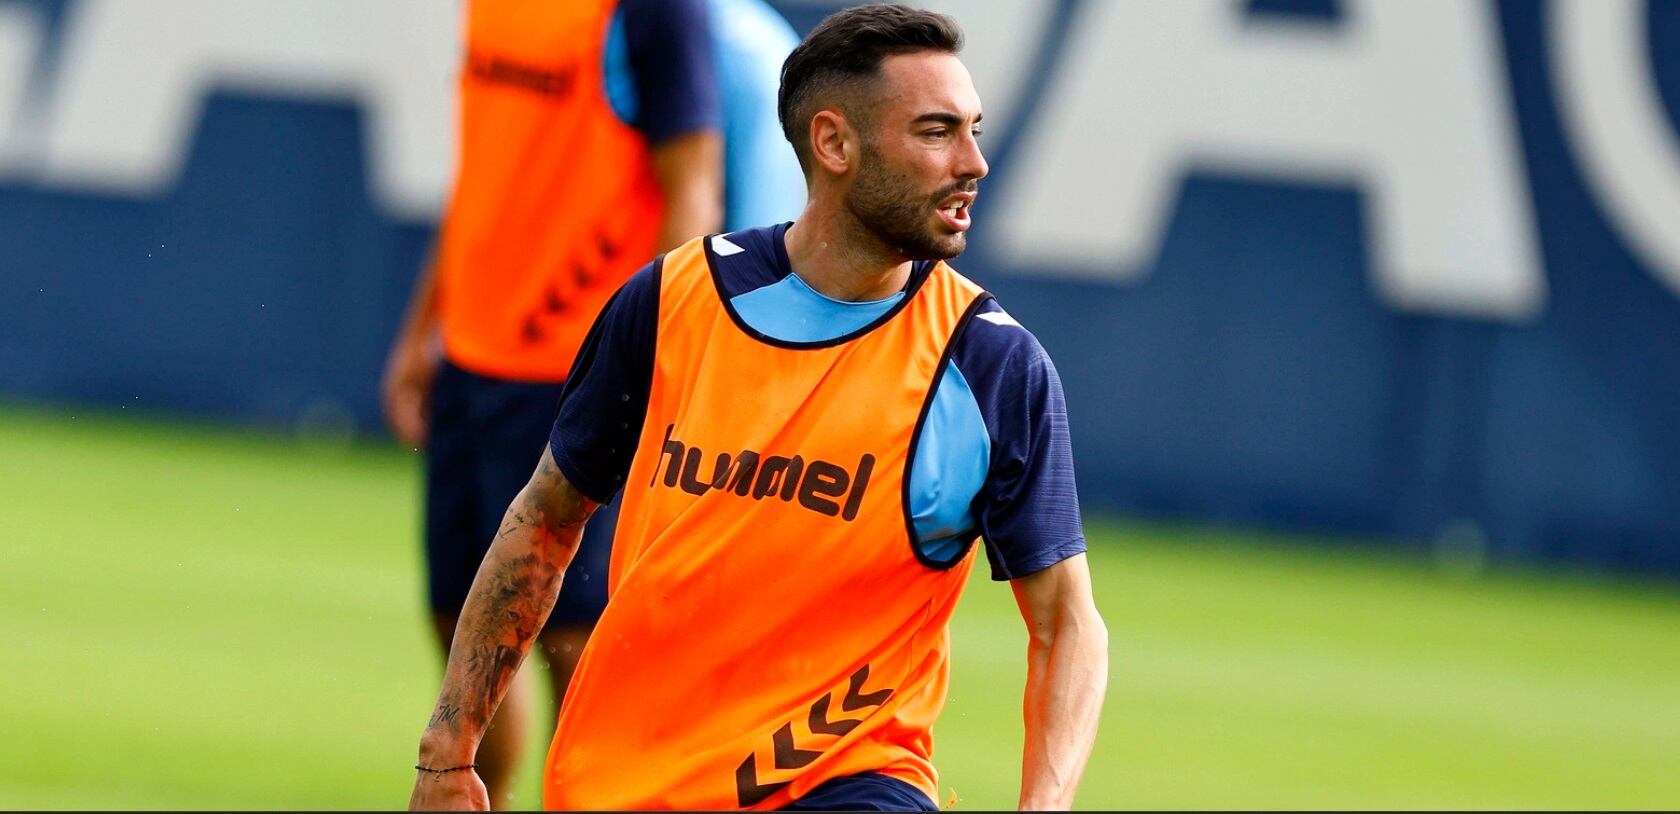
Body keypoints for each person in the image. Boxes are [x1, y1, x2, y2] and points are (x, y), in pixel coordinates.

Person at [408, 4, 1109, 811]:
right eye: (936, 131)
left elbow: (1068, 624)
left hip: (848, 778)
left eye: (973, 129)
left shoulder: (991, 366)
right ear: (834, 143)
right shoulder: (672, 303)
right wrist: (446, 755)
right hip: (626, 783)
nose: (975, 161)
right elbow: (543, 523)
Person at [380, 0, 803, 806]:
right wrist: (423, 328)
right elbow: (487, 169)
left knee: (579, 647)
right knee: (463, 635)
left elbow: (695, 199)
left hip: (574, 370)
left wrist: (644, 367)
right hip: (473, 361)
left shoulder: (655, 12)